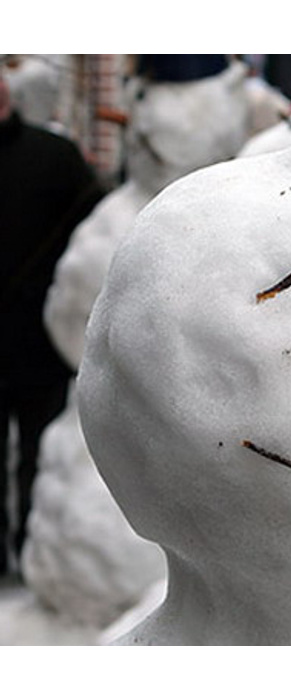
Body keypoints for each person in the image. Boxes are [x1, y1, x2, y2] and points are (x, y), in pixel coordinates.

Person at [0, 69, 102, 575]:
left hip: (37, 343)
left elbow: (90, 231)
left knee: (41, 454)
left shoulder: (54, 157)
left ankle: (32, 552)